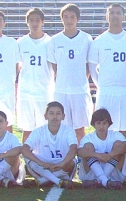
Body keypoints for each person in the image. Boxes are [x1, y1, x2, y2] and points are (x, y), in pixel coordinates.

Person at [88, 4, 126, 140]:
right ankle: (104, 156)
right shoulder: (99, 41)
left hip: (124, 90)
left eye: (118, 13)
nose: (115, 16)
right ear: (107, 16)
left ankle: (123, 159)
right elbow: (92, 66)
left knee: (124, 128)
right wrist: (100, 84)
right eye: (112, 13)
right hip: (105, 90)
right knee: (103, 127)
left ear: (123, 17)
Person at [47, 4, 93, 143]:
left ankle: (81, 160)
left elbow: (88, 65)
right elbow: (55, 67)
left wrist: (79, 81)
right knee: (62, 128)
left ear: (77, 19)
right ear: (62, 19)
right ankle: (66, 161)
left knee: (79, 129)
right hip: (61, 90)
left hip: (79, 90)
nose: (69, 20)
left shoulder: (86, 38)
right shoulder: (54, 40)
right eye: (65, 17)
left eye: (72, 17)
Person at [17, 8, 53, 143]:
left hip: (44, 92)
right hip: (25, 93)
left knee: (45, 130)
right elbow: (17, 66)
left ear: (43, 22)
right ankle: (27, 161)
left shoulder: (50, 42)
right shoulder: (21, 42)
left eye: (38, 20)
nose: (35, 23)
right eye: (31, 20)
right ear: (27, 23)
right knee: (27, 130)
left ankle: (44, 160)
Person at [21, 101, 78, 188]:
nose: (54, 117)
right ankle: (58, 180)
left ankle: (42, 180)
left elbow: (73, 149)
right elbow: (24, 149)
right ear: (45, 116)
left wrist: (62, 164)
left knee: (72, 161)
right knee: (28, 157)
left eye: (58, 113)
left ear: (63, 116)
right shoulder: (38, 131)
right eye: (51, 113)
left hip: (61, 164)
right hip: (43, 165)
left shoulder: (68, 130)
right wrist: (40, 162)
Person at [78, 109, 126, 190]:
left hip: (114, 174)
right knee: (88, 147)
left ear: (109, 124)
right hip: (92, 174)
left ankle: (100, 180)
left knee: (119, 145)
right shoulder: (88, 137)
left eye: (104, 123)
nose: (101, 126)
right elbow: (79, 152)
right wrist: (97, 155)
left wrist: (110, 155)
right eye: (98, 123)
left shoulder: (115, 135)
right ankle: (105, 181)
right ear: (93, 124)